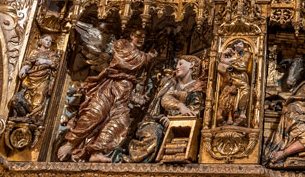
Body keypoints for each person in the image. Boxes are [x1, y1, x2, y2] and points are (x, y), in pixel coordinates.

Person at [57, 28, 157, 162]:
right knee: (96, 112)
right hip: (110, 84)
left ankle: (96, 151)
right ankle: (71, 143)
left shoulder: (139, 55)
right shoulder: (121, 45)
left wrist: (138, 97)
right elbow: (126, 61)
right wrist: (148, 57)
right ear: (130, 34)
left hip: (125, 90)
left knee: (120, 121)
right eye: (138, 35)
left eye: (144, 37)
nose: (141, 39)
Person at [128, 55, 205, 162]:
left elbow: (195, 110)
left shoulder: (197, 87)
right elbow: (161, 103)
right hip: (158, 122)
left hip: (184, 126)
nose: (177, 67)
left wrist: (174, 121)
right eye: (176, 64)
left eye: (181, 64)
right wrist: (176, 108)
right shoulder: (169, 82)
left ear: (191, 65)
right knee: (153, 135)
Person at [11, 34, 61, 122]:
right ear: (41, 41)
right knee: (26, 96)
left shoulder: (52, 54)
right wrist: (23, 69)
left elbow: (55, 63)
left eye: (50, 41)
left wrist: (45, 61)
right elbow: (29, 62)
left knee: (40, 95)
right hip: (32, 77)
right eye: (46, 39)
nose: (48, 42)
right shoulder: (35, 52)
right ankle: (25, 114)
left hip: (44, 78)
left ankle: (34, 116)